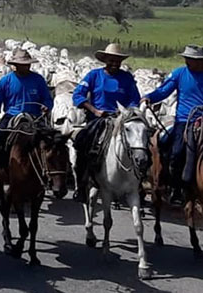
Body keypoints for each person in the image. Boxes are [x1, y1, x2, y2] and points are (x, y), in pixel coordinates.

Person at [71, 43, 141, 200]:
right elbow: (78, 95)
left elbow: (134, 99)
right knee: (82, 142)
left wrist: (126, 112)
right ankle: (82, 184)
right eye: (111, 60)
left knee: (141, 144)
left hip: (122, 119)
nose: (115, 63)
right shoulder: (93, 75)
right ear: (105, 60)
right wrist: (95, 110)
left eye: (117, 60)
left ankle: (138, 182)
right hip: (99, 118)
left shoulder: (127, 78)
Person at [141, 44, 203, 204]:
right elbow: (164, 91)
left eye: (192, 59)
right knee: (177, 152)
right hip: (185, 119)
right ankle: (176, 188)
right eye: (187, 58)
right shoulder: (179, 73)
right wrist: (149, 97)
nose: (188, 61)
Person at [0, 49, 53, 183]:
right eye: (22, 64)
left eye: (27, 64)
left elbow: (47, 98)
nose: (26, 67)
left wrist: (46, 106)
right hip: (12, 115)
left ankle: (51, 173)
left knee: (51, 142)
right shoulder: (6, 80)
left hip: (34, 116)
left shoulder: (38, 80)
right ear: (15, 65)